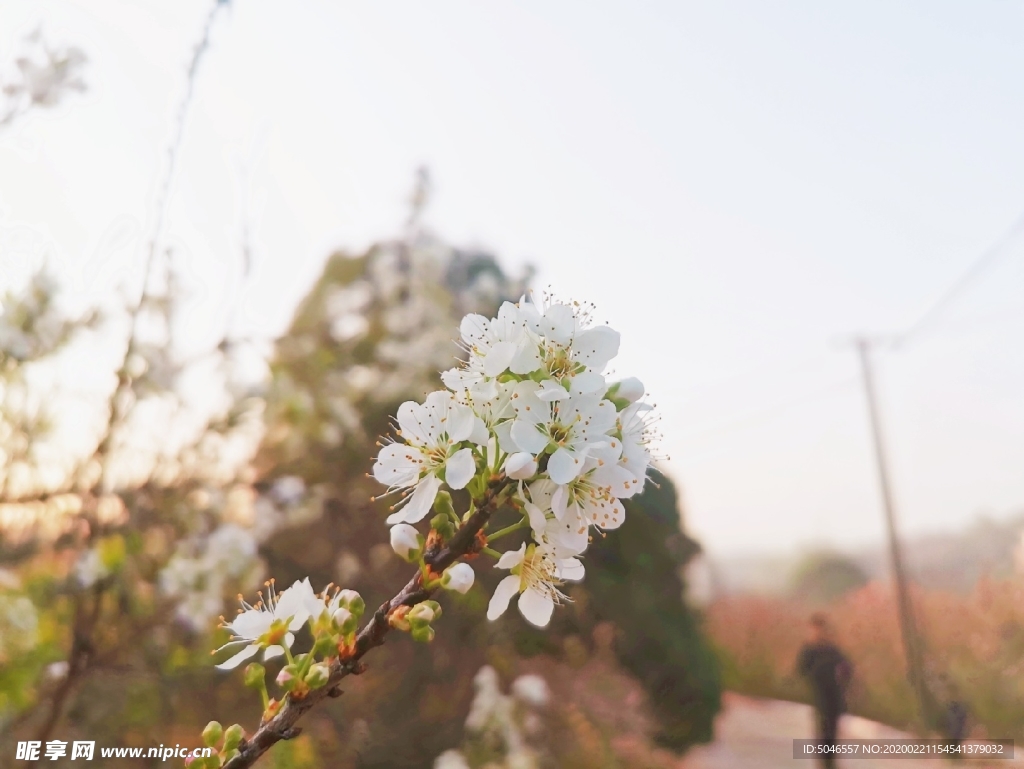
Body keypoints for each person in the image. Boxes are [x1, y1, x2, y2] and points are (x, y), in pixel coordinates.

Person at [797, 613, 853, 769]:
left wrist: (843, 680)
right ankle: (825, 763)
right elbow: (802, 670)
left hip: (835, 695)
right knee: (823, 731)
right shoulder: (809, 650)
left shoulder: (832, 650)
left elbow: (848, 668)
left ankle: (830, 762)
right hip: (820, 696)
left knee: (832, 731)